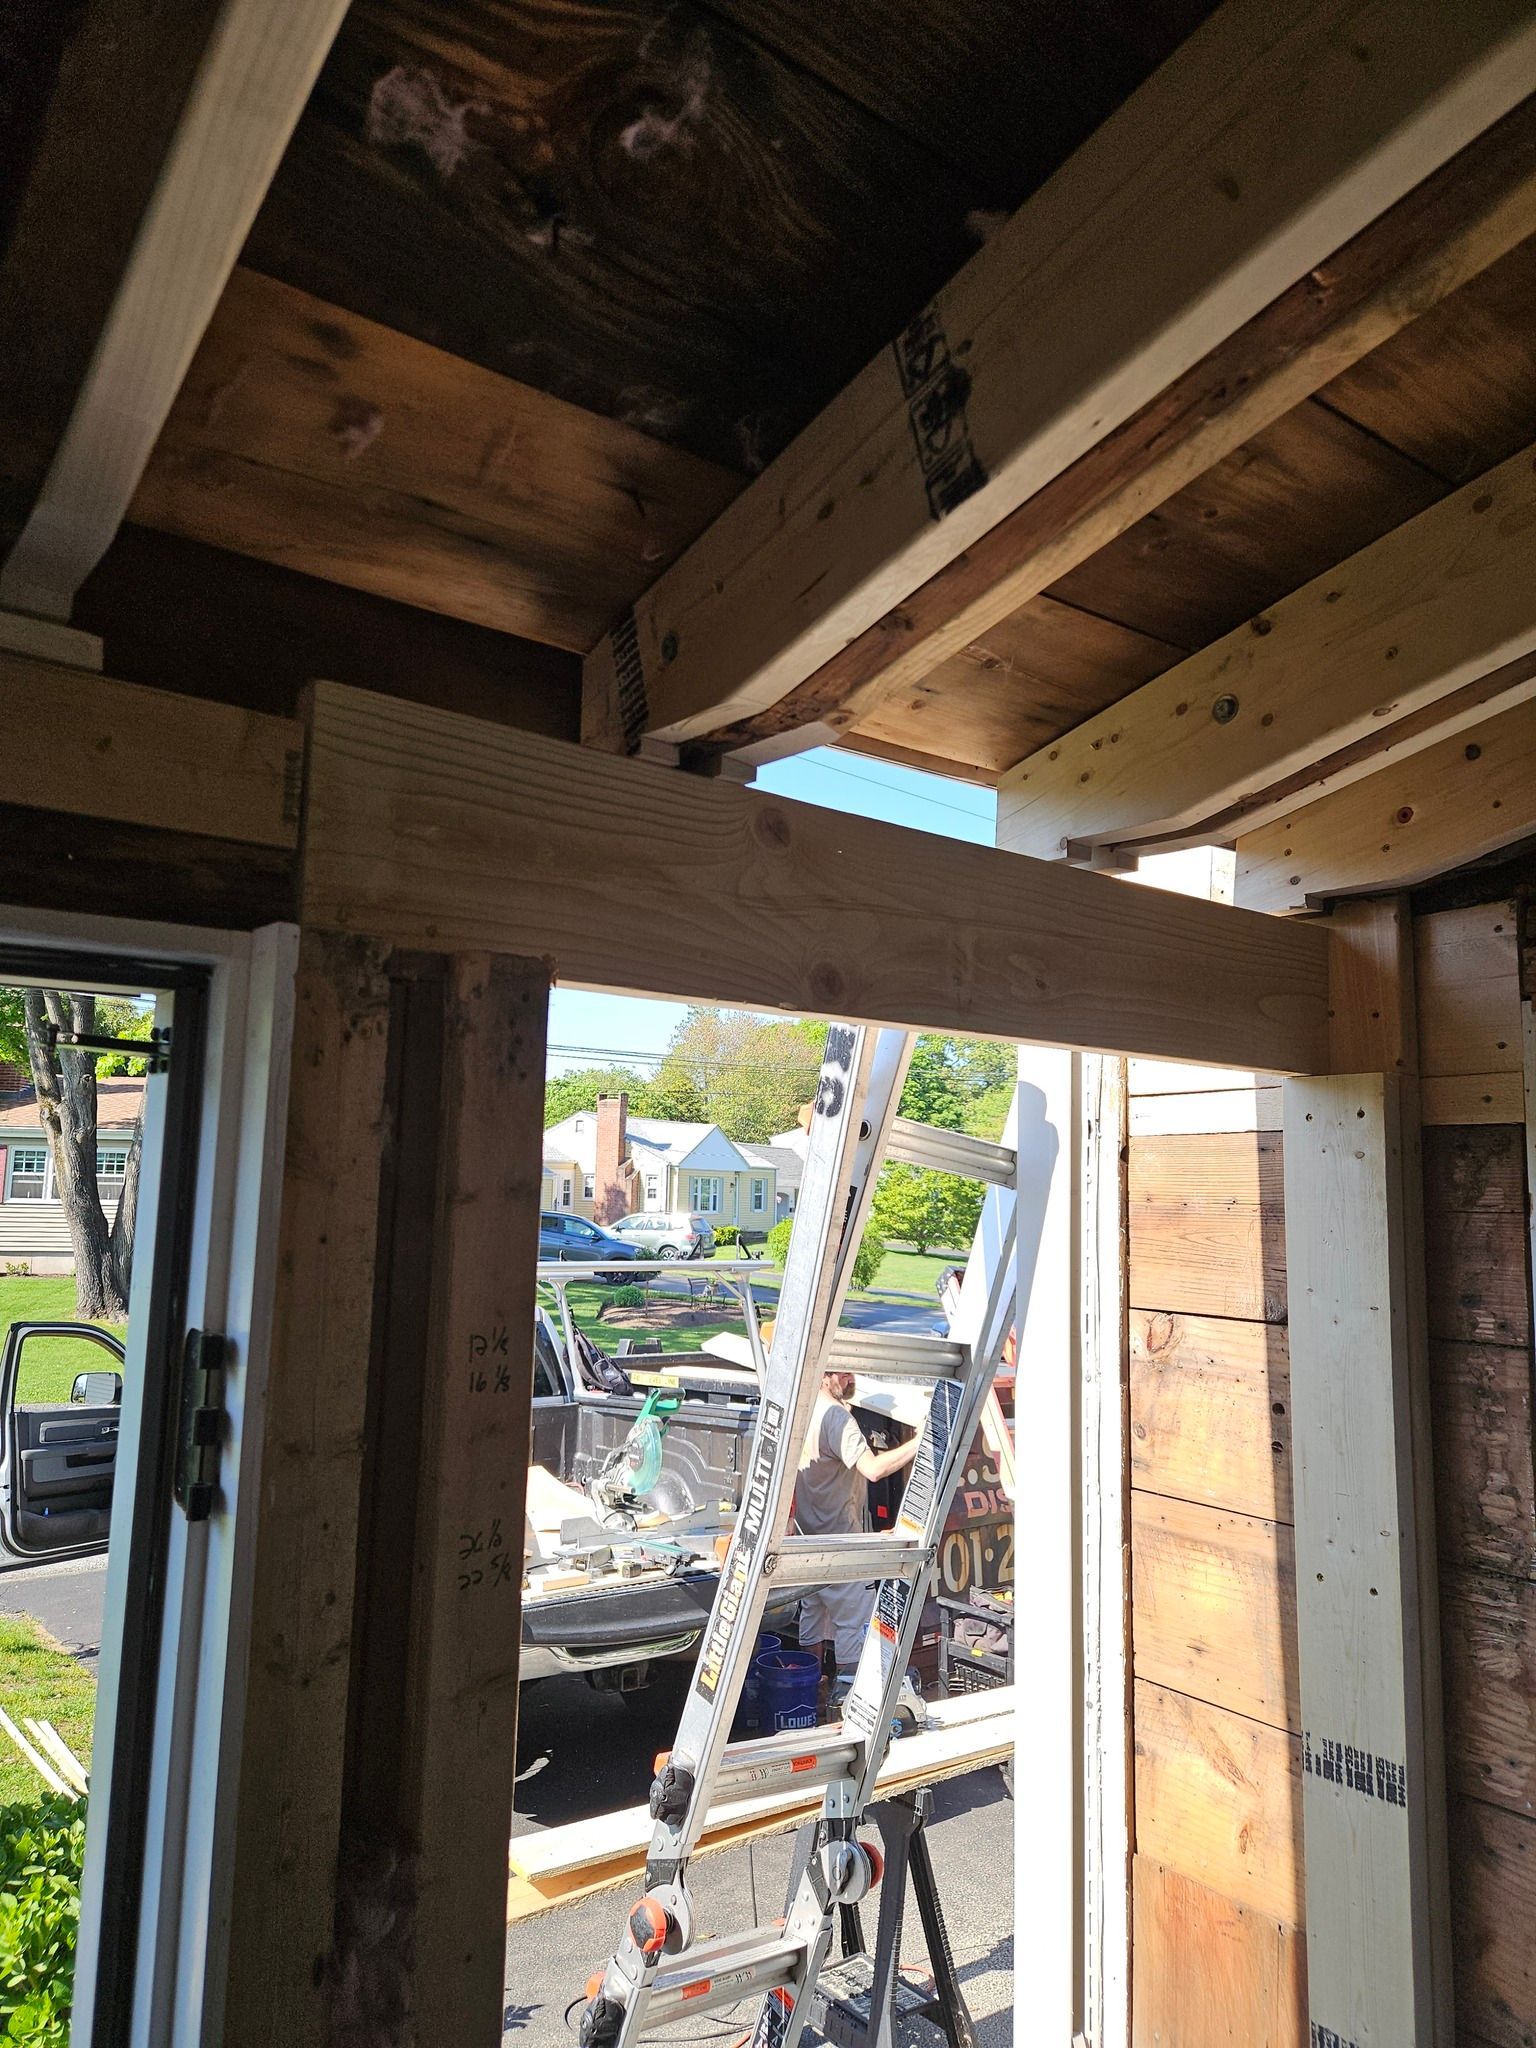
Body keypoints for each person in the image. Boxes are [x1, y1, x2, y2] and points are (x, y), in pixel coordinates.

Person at [794, 1369, 920, 1706]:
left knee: (814, 1620)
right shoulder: (836, 1417)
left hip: (807, 1542)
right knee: (854, 1627)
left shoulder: (799, 1406)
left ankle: (809, 1699)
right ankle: (844, 1706)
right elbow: (874, 1469)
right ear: (825, 1373)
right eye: (846, 1372)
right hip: (843, 1546)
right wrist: (922, 1442)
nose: (853, 1379)